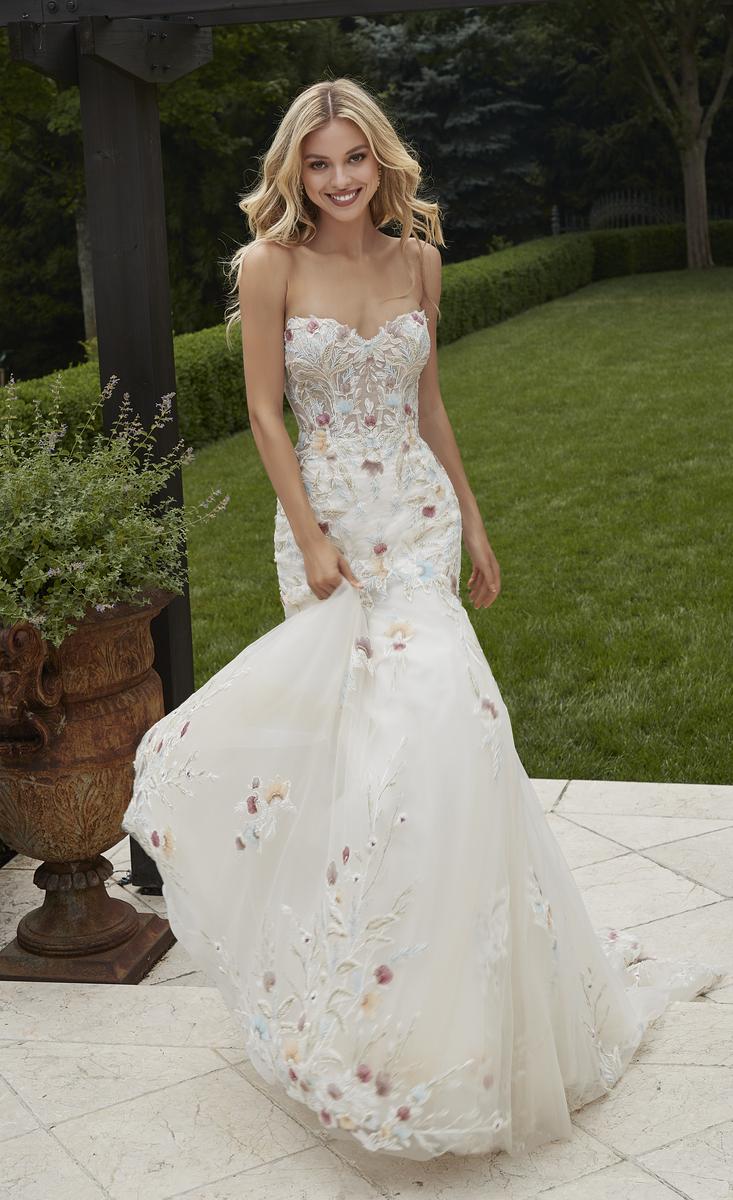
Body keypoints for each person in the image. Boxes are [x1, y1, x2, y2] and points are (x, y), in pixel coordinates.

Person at [122, 77, 722, 1162]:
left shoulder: (419, 261)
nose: (339, 179)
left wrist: (475, 522)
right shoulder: (268, 265)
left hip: (415, 520)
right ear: (295, 171)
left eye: (354, 158)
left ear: (381, 160)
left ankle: (455, 1012)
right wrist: (308, 534)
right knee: (361, 763)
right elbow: (262, 410)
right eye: (318, 163)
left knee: (449, 740)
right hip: (328, 528)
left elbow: (427, 402)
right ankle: (357, 1013)